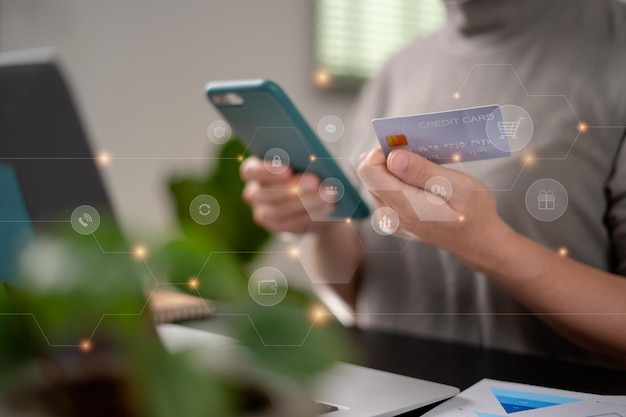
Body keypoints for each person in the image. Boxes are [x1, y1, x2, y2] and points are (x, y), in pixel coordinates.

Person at [240, 0, 626, 366]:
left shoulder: (613, 51)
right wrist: (319, 225)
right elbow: (359, 296)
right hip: (390, 393)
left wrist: (492, 248)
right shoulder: (398, 68)